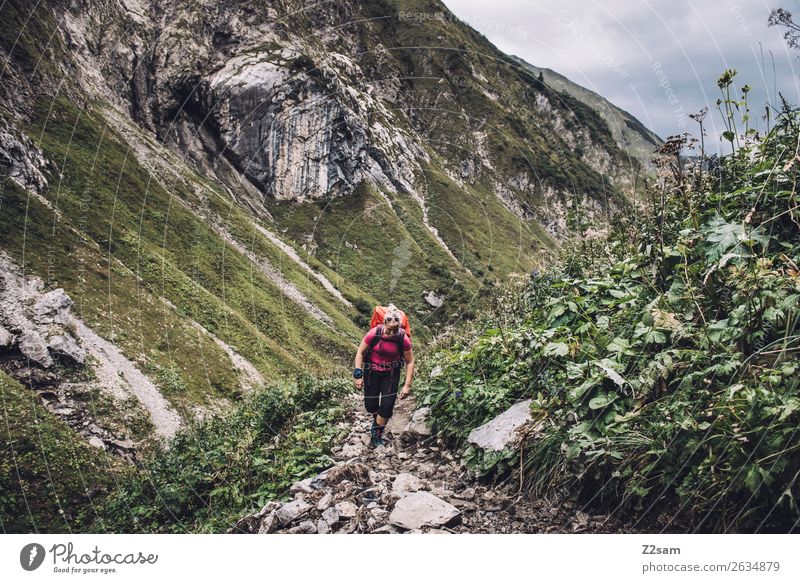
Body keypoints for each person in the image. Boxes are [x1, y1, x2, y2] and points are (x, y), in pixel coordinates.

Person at [353, 306, 414, 447]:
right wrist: (358, 373)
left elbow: (410, 361)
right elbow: (360, 353)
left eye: (395, 330)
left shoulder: (402, 338)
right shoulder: (374, 333)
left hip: (391, 374)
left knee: (387, 406)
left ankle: (376, 435)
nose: (392, 333)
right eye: (389, 330)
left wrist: (407, 385)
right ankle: (379, 420)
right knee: (370, 405)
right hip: (371, 372)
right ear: (384, 323)